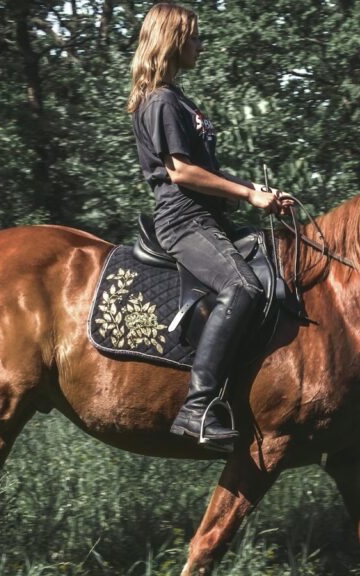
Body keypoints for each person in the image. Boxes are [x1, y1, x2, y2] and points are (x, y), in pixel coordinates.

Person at [127, 3, 290, 452]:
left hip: (210, 216)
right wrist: (247, 195)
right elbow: (181, 172)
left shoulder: (178, 99)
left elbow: (205, 170)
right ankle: (197, 408)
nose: (201, 44)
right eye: (195, 36)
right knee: (244, 288)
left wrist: (257, 190)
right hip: (184, 221)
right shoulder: (160, 101)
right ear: (173, 41)